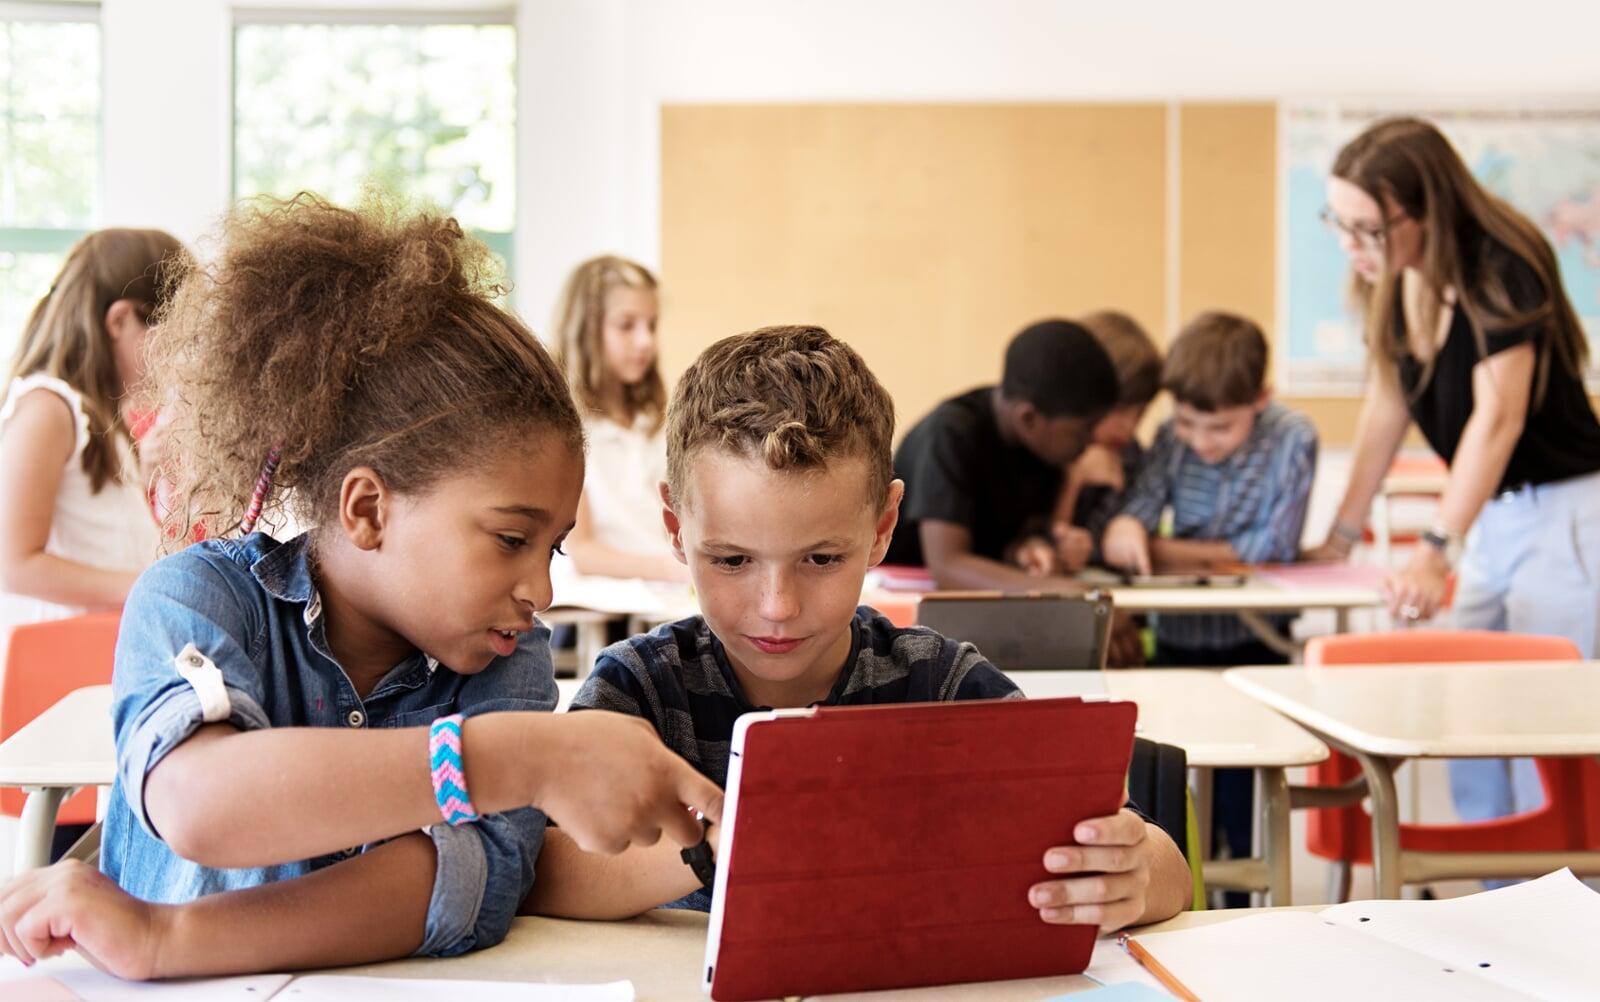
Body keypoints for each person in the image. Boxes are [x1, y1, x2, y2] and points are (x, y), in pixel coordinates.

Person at [0, 195, 722, 980]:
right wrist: (517, 757)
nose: (540, 590)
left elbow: (457, 885)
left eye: (552, 549)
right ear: (369, 509)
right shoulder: (196, 599)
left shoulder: (507, 663)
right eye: (512, 541)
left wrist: (170, 940)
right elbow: (202, 804)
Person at [529, 326, 1191, 932]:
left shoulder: (939, 684)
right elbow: (544, 871)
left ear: (881, 528)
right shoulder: (636, 690)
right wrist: (719, 848)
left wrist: (1136, 873)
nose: (778, 606)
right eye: (732, 560)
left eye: (821, 559)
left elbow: (1166, 869)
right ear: (677, 528)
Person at [1303, 116, 1600, 825]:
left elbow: (1498, 418)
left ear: (1424, 211)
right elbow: (1387, 404)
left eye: (1367, 228)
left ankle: (1567, 902)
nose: (1350, 247)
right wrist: (1341, 533)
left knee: (1545, 725)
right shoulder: (1397, 278)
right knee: (1465, 707)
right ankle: (1493, 893)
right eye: (1338, 224)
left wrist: (1436, 550)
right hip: (1497, 513)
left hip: (1567, 512)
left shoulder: (1503, 262)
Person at [1101, 312, 1317, 887]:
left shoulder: (1293, 437)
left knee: (1246, 800)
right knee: (1173, 789)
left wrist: (1164, 548)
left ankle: (1247, 912)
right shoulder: (1171, 437)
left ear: (1261, 399)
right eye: (1189, 423)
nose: (1200, 441)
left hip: (1256, 649)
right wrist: (1135, 532)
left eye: (1219, 428)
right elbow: (1132, 526)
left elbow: (1271, 547)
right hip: (1175, 643)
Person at [885, 320, 1142, 664]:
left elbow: (1016, 537)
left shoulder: (1049, 449)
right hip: (908, 627)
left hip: (985, 619)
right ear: (1029, 418)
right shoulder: (952, 435)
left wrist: (1033, 548)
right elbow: (948, 564)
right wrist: (1074, 596)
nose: (1093, 439)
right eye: (1083, 429)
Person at [0, 230, 179, 633]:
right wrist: (154, 586)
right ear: (119, 320)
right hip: (57, 660)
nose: (172, 361)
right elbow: (14, 565)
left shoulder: (105, 421)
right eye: (170, 340)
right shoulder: (48, 407)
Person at [552, 255, 684, 582]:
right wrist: (675, 571)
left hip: (664, 603)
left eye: (651, 326)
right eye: (627, 325)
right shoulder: (563, 427)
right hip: (602, 617)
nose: (645, 342)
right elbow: (581, 552)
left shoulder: (654, 422)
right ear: (586, 330)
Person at [1015, 310, 1163, 575]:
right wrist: (1073, 481)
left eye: (1140, 413)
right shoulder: (1040, 446)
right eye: (1118, 410)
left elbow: (1110, 552)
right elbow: (1032, 550)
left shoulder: (1129, 455)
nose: (1128, 427)